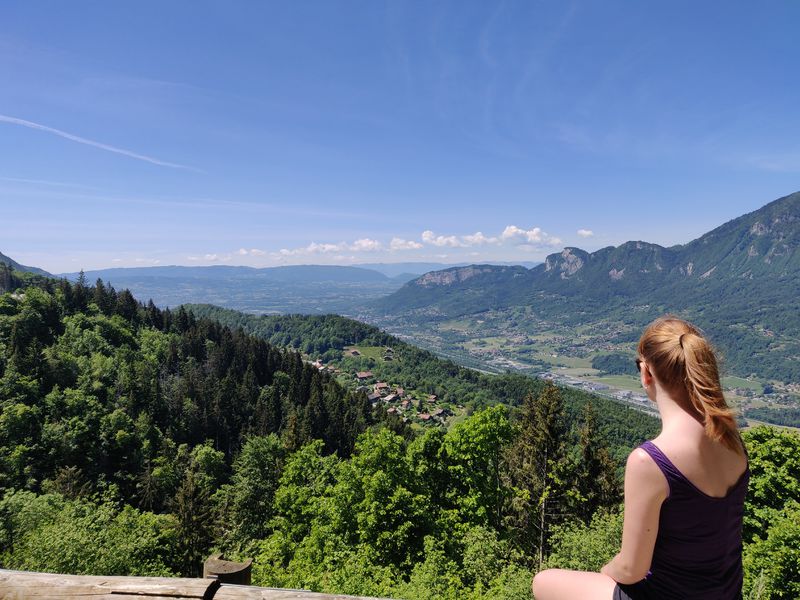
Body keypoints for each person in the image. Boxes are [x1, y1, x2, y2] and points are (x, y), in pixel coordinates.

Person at [531, 316, 749, 600]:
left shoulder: (650, 461)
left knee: (544, 582)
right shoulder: (731, 439)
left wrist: (606, 569)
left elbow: (632, 569)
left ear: (647, 373)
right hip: (726, 595)